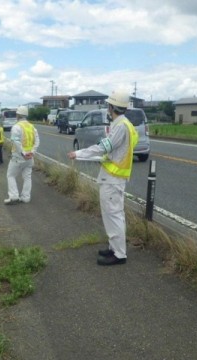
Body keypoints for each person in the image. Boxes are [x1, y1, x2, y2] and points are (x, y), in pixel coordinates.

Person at [68, 89, 138, 265]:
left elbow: (103, 147)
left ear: (112, 106)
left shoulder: (121, 126)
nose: (107, 108)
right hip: (112, 177)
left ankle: (119, 254)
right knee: (114, 214)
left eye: (108, 105)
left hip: (113, 178)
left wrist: (79, 153)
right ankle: (114, 248)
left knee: (113, 215)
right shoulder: (125, 124)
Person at [4, 105, 40, 205]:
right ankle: (26, 197)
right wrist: (32, 152)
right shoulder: (32, 127)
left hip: (18, 157)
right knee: (27, 177)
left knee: (10, 175)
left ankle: (14, 196)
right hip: (30, 158)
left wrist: (23, 153)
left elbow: (16, 141)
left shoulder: (16, 127)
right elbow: (37, 141)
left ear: (18, 115)